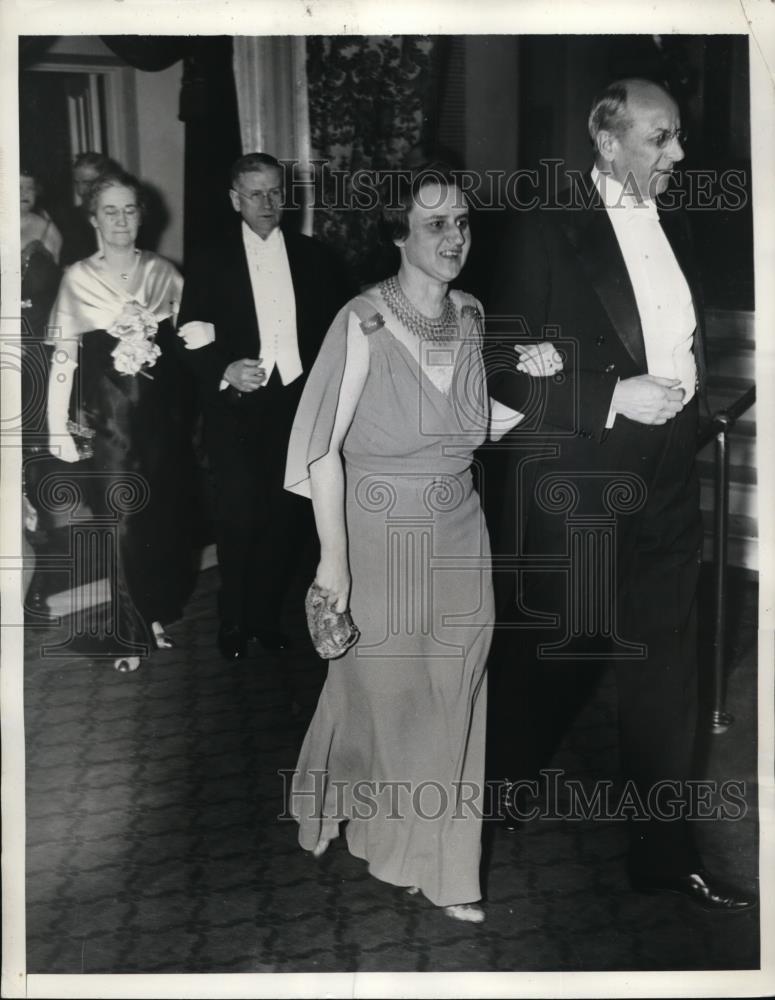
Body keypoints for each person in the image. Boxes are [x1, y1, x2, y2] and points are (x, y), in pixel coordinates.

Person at [484, 79, 753, 911]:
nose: (677, 155)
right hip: (583, 485)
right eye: (659, 139)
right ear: (608, 142)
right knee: (548, 662)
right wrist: (608, 396)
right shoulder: (543, 229)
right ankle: (493, 800)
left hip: (671, 469)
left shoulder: (674, 223)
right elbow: (494, 369)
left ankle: (664, 855)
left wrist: (689, 412)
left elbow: (679, 341)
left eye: (674, 139)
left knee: (666, 669)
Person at [284, 165, 561, 923]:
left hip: (460, 532)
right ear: (398, 233)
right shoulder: (362, 320)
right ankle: (369, 817)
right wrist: (332, 564)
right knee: (385, 697)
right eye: (434, 223)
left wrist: (530, 389)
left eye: (462, 223)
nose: (453, 238)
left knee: (455, 697)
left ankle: (441, 868)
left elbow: (467, 431)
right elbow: (319, 452)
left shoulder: (470, 314)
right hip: (380, 532)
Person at [176, 152, 353, 660]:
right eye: (255, 193)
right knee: (237, 520)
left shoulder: (315, 255)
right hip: (237, 410)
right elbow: (187, 332)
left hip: (297, 404)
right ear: (235, 199)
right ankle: (233, 620)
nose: (268, 202)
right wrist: (224, 369)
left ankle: (265, 618)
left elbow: (338, 330)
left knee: (284, 520)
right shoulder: (210, 259)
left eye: (275, 191)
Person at [46, 169, 194, 673]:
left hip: (162, 423)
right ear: (92, 218)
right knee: (122, 524)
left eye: (130, 209)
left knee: (159, 522)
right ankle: (128, 631)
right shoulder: (78, 278)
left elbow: (189, 343)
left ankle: (151, 613)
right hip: (109, 423)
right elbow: (64, 357)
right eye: (110, 210)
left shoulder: (163, 272)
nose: (122, 220)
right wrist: (54, 426)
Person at [20, 167, 63, 621]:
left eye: (29, 188)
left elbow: (58, 291)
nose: (22, 196)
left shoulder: (48, 229)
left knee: (30, 471)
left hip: (35, 356)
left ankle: (33, 590)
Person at [57, 152, 121, 266]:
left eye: (88, 183)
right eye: (77, 183)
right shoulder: (68, 219)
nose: (80, 191)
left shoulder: (121, 217)